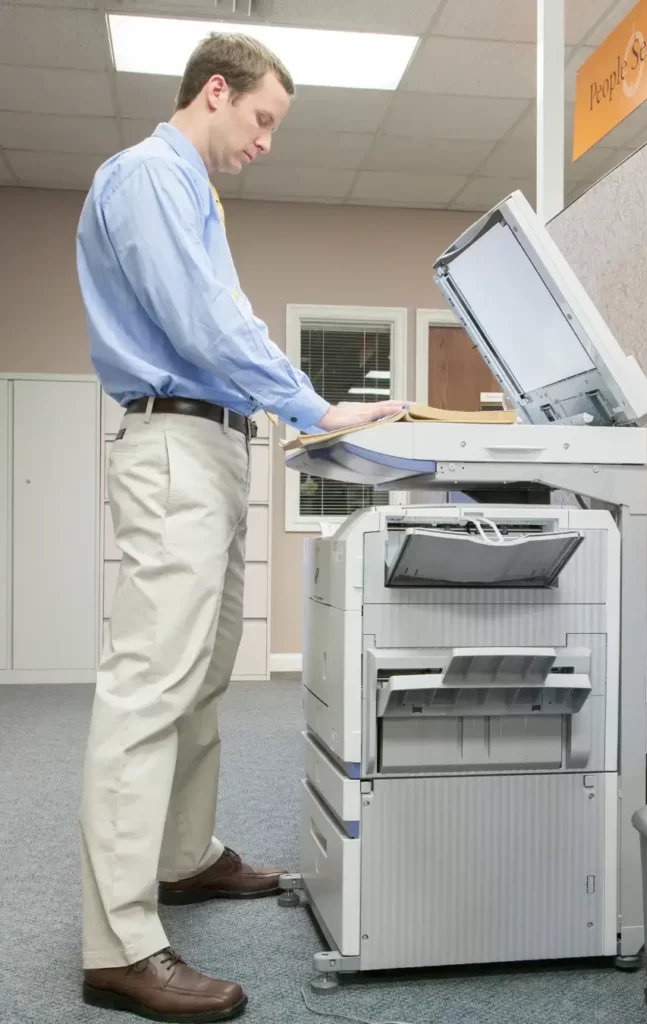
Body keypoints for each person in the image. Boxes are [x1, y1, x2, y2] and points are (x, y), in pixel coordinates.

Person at [75, 31, 406, 1023]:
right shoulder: (146, 178)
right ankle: (117, 942)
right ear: (216, 92)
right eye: (263, 119)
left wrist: (284, 411)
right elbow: (203, 324)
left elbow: (222, 319)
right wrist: (314, 405)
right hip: (175, 446)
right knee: (147, 687)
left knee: (202, 674)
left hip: (215, 446)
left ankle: (181, 858)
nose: (266, 140)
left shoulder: (196, 197)